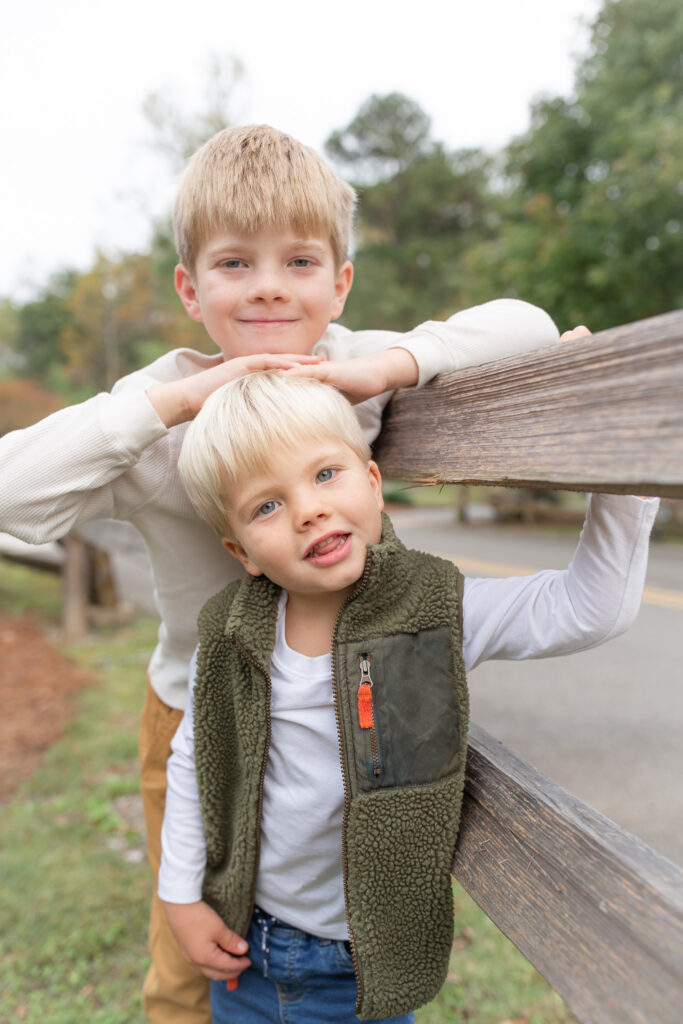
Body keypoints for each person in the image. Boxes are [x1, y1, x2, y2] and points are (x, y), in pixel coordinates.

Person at [0, 124, 567, 1023]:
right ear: (190, 289)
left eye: (299, 261)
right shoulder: (157, 413)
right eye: (234, 263)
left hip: (351, 706)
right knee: (195, 955)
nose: (268, 285)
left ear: (338, 282)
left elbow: (530, 326)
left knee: (340, 935)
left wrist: (387, 367)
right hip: (201, 713)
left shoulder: (349, 366)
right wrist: (171, 404)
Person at [160, 371, 658, 1024]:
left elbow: (589, 609)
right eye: (266, 507)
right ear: (242, 551)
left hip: (364, 965)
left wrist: (618, 466)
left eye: (325, 475)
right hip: (249, 944)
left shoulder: (433, 608)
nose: (308, 510)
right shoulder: (231, 633)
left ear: (372, 483)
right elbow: (194, 761)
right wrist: (180, 897)